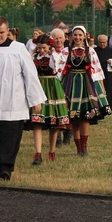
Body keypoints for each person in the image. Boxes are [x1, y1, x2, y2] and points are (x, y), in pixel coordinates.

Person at [0, 16, 45, 180]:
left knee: (8, 135)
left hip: (12, 101)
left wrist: (35, 100)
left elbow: (30, 75)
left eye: (2, 32)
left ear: (8, 31)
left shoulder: (18, 49)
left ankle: (4, 167)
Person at [54, 26, 112, 156]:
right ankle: (78, 148)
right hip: (70, 84)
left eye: (80, 35)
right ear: (71, 36)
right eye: (75, 35)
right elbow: (59, 70)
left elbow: (97, 70)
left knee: (85, 117)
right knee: (74, 118)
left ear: (85, 36)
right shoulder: (66, 51)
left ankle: (84, 147)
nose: (77, 37)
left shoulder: (90, 51)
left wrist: (101, 89)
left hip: (86, 85)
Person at [27, 34, 70, 165]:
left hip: (52, 88)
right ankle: (38, 153)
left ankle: (52, 151)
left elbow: (58, 68)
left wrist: (51, 53)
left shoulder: (55, 56)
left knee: (53, 123)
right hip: (39, 86)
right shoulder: (34, 57)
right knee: (37, 121)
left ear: (49, 46)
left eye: (44, 48)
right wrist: (33, 52)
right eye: (39, 48)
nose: (41, 51)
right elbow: (26, 65)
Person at [95, 34, 112, 108]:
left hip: (108, 73)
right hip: (98, 74)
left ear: (107, 42)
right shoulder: (95, 51)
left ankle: (109, 104)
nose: (102, 44)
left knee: (109, 89)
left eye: (104, 42)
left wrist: (111, 62)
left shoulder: (111, 51)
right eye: (100, 42)